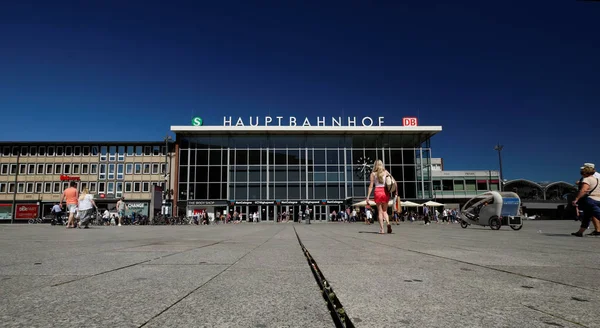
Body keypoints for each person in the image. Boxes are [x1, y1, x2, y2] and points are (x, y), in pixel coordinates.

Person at [366, 160, 397, 234]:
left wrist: (368, 197)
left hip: (377, 192)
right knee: (385, 211)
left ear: (375, 165)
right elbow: (394, 181)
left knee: (380, 212)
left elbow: (370, 186)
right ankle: (388, 223)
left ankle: (382, 229)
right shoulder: (386, 172)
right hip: (385, 192)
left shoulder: (373, 174)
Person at [572, 165, 600, 237]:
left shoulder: (587, 179)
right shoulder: (597, 179)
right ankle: (580, 232)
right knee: (587, 216)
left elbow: (583, 190)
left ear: (585, 173)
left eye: (582, 173)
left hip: (591, 200)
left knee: (598, 215)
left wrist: (576, 199)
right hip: (598, 199)